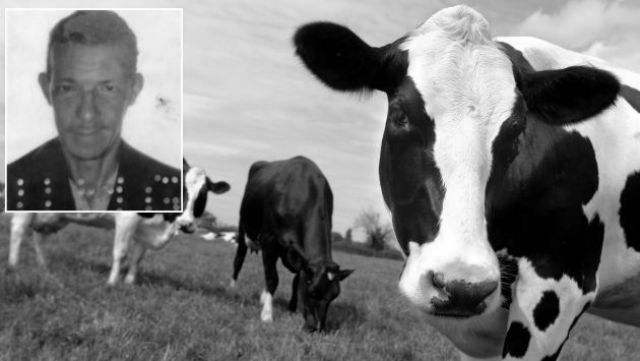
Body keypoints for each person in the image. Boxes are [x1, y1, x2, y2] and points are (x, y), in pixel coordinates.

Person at [6, 10, 181, 211]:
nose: (87, 113)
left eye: (107, 89)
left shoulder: (170, 192)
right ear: (47, 89)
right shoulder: (12, 187)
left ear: (133, 90)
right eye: (67, 88)